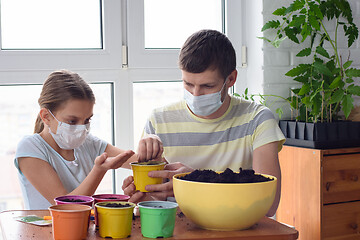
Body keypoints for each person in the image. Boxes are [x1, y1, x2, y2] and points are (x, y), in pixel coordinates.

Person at [123, 29, 285, 217]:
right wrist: (145, 198)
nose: (196, 94)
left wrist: (195, 182)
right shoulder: (159, 121)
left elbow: (268, 203)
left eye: (208, 86)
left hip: (237, 231)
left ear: (231, 79)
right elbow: (159, 201)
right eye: (188, 84)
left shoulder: (258, 119)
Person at [14, 70, 163, 210]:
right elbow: (67, 207)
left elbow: (146, 163)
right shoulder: (30, 148)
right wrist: (100, 170)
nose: (81, 128)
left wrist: (152, 142)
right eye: (72, 121)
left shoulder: (89, 143)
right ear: (46, 116)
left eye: (87, 120)